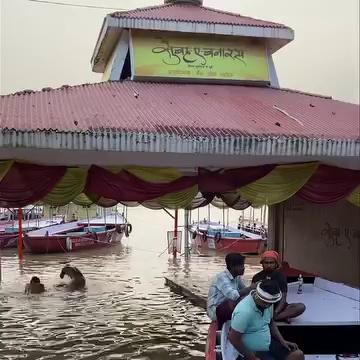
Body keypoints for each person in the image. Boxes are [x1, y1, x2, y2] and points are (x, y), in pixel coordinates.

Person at [229, 279, 304, 360]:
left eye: (270, 303)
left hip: (269, 344)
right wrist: (252, 358)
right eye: (265, 302)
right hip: (253, 351)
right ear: (257, 295)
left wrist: (283, 341)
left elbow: (271, 322)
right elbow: (233, 339)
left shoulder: (268, 303)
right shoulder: (243, 311)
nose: (267, 306)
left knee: (298, 355)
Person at [252, 251, 305, 322]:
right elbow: (252, 296)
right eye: (266, 263)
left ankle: (274, 317)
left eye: (271, 263)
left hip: (278, 308)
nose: (269, 265)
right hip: (262, 307)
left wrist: (276, 312)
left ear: (276, 264)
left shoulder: (280, 276)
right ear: (262, 264)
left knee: (301, 307)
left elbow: (283, 298)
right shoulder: (256, 277)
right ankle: (281, 317)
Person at [207, 253, 256, 329]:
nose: (243, 268)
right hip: (215, 311)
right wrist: (251, 288)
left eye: (243, 265)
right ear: (232, 267)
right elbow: (233, 295)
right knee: (234, 301)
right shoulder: (222, 278)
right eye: (241, 266)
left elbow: (245, 291)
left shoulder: (237, 277)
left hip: (228, 307)